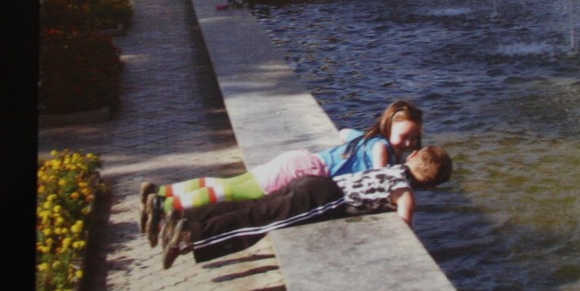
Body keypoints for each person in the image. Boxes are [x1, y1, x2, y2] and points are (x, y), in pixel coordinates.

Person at [139, 99, 424, 242]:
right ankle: (166, 207)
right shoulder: (381, 149)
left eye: (415, 138)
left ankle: (161, 192)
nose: (409, 143)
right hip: (302, 174)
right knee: (230, 192)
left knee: (229, 184)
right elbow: (379, 178)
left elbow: (343, 132)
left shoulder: (368, 138)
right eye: (404, 136)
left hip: (297, 160)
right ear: (388, 127)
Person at [159, 147, 453, 269]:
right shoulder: (404, 191)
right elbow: (404, 218)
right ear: (431, 187)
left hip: (314, 182)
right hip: (323, 199)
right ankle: (190, 237)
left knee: (254, 205)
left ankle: (185, 217)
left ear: (412, 156)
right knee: (257, 221)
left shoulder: (391, 169)